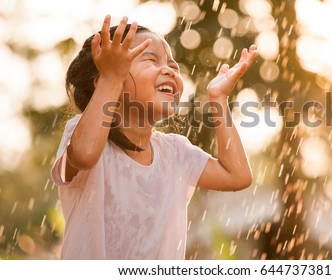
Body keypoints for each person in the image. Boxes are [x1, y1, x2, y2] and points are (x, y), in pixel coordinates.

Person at [51, 15, 257, 259]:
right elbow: (84, 155)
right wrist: (112, 78)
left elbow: (237, 176)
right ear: (103, 81)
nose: (169, 71)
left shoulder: (175, 153)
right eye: (151, 59)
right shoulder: (81, 133)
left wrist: (219, 100)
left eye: (173, 66)